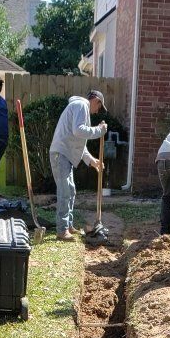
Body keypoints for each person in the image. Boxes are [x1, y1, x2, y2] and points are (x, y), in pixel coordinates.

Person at [49, 90, 107, 241]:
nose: (97, 111)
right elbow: (79, 131)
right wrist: (98, 131)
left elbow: (79, 143)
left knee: (71, 190)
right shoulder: (81, 105)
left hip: (65, 155)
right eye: (99, 107)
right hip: (61, 154)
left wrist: (92, 161)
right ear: (96, 101)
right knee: (65, 191)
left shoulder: (80, 107)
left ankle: (68, 225)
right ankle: (62, 230)